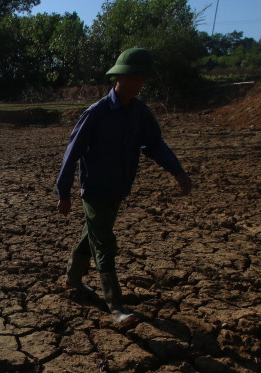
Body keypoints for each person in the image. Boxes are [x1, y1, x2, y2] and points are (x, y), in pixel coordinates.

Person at [56, 47, 193, 327]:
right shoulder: (97, 113)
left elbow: (154, 144)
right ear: (118, 77)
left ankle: (72, 281)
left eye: (143, 78)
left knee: (92, 235)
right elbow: (72, 153)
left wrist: (177, 171)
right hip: (94, 190)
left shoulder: (140, 113)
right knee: (105, 243)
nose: (139, 83)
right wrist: (64, 193)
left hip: (119, 189)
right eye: (133, 77)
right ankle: (116, 307)